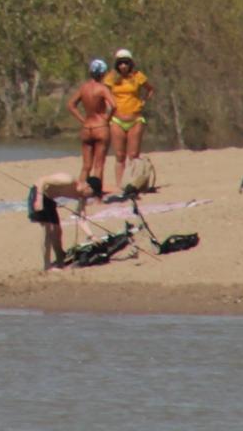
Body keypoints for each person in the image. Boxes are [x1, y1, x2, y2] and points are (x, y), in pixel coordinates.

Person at [104, 49, 154, 195]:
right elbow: (104, 92)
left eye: (126, 63)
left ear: (130, 63)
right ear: (117, 64)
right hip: (117, 119)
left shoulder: (138, 76)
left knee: (133, 154)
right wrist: (108, 106)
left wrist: (143, 102)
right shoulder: (111, 78)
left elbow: (150, 89)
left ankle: (133, 184)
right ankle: (120, 186)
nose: (123, 66)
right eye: (120, 63)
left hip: (135, 118)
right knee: (119, 155)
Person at [67, 59, 114, 201]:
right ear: (103, 73)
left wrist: (82, 120)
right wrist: (107, 118)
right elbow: (114, 106)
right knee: (98, 165)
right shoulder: (103, 88)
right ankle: (98, 197)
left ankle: (80, 196)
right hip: (100, 126)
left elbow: (71, 105)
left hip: (87, 127)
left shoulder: (84, 88)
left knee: (86, 166)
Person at [28, 171, 95, 269]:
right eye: (91, 194)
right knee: (48, 229)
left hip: (50, 200)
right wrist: (39, 199)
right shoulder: (69, 180)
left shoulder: (81, 196)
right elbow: (43, 180)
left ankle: (60, 262)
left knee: (57, 231)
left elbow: (82, 218)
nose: (89, 197)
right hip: (39, 193)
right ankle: (47, 267)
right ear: (87, 186)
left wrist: (91, 236)